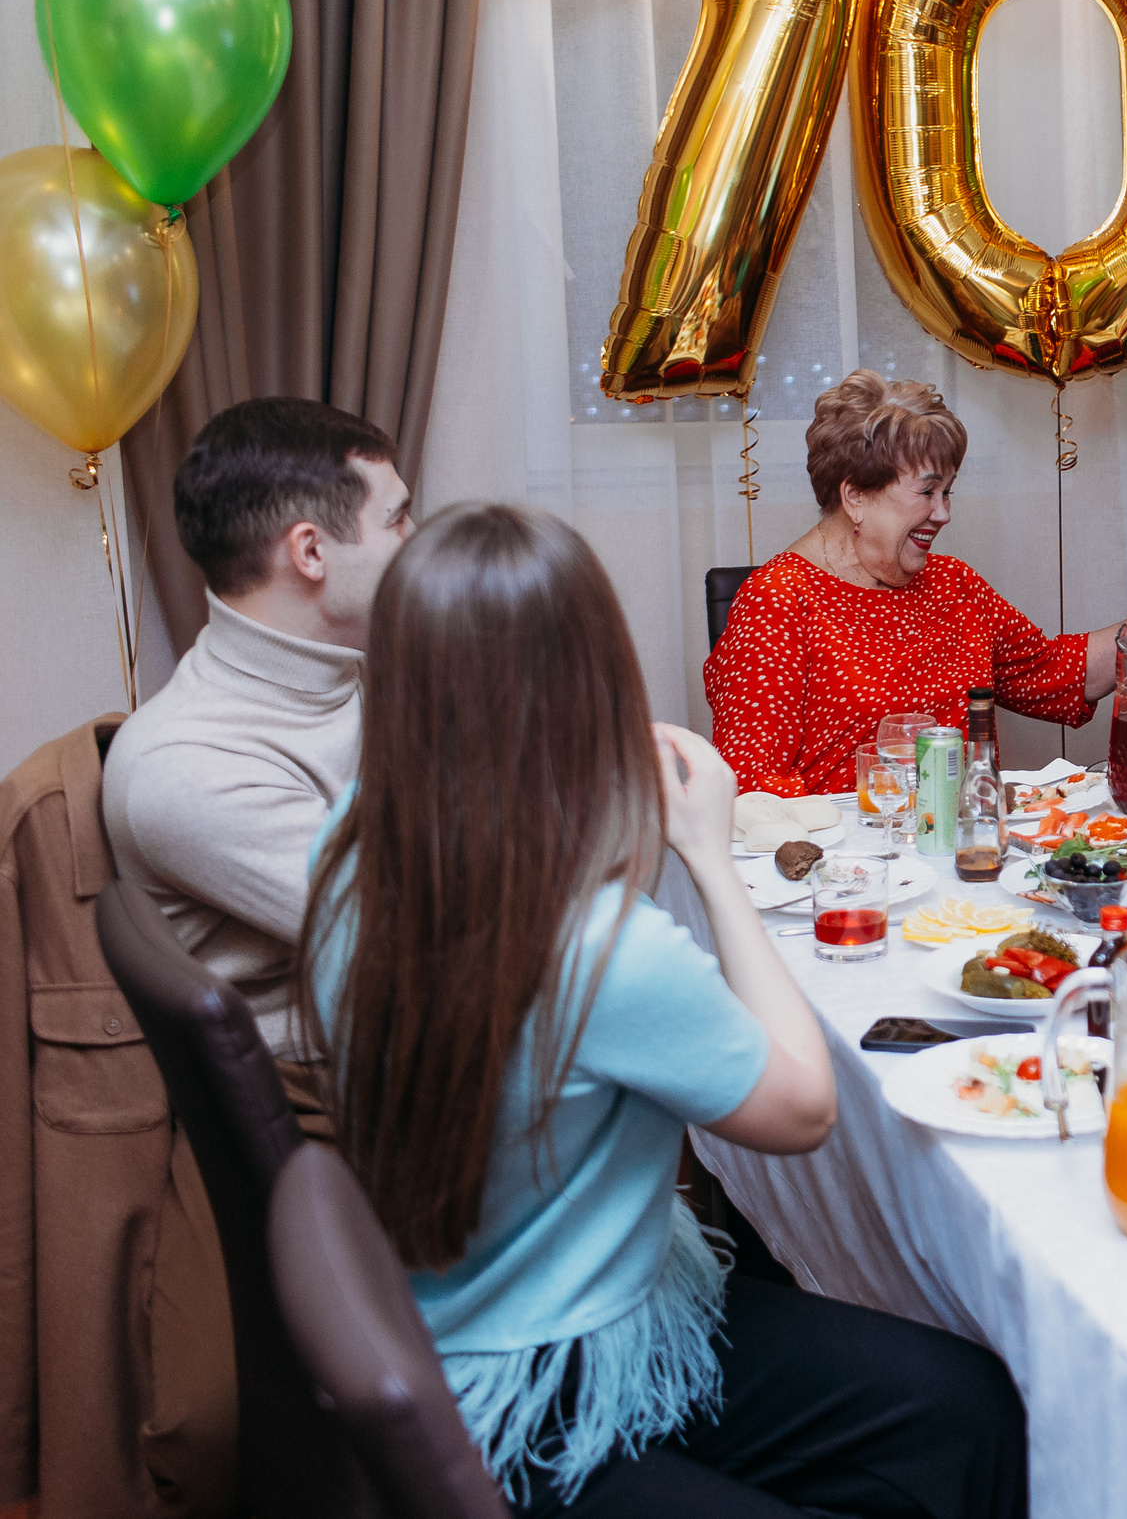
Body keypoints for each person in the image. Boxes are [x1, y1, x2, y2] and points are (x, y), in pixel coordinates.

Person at [302, 505, 1029, 1515]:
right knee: (971, 1418)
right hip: (552, 1385)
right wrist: (708, 855)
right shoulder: (593, 942)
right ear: (592, 680)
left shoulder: (352, 838)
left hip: (451, 1320)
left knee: (966, 1407)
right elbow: (804, 1108)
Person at [102, 397, 413, 1136]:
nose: (416, 541)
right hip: (335, 1104)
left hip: (402, 1043)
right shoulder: (186, 768)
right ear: (311, 552)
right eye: (398, 519)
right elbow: (421, 936)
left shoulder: (347, 672)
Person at [707, 371, 1127, 796]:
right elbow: (752, 790)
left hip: (965, 853)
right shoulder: (777, 602)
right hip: (849, 869)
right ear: (855, 497)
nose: (944, 514)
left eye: (948, 493)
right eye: (927, 492)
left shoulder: (952, 585)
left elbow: (1057, 674)